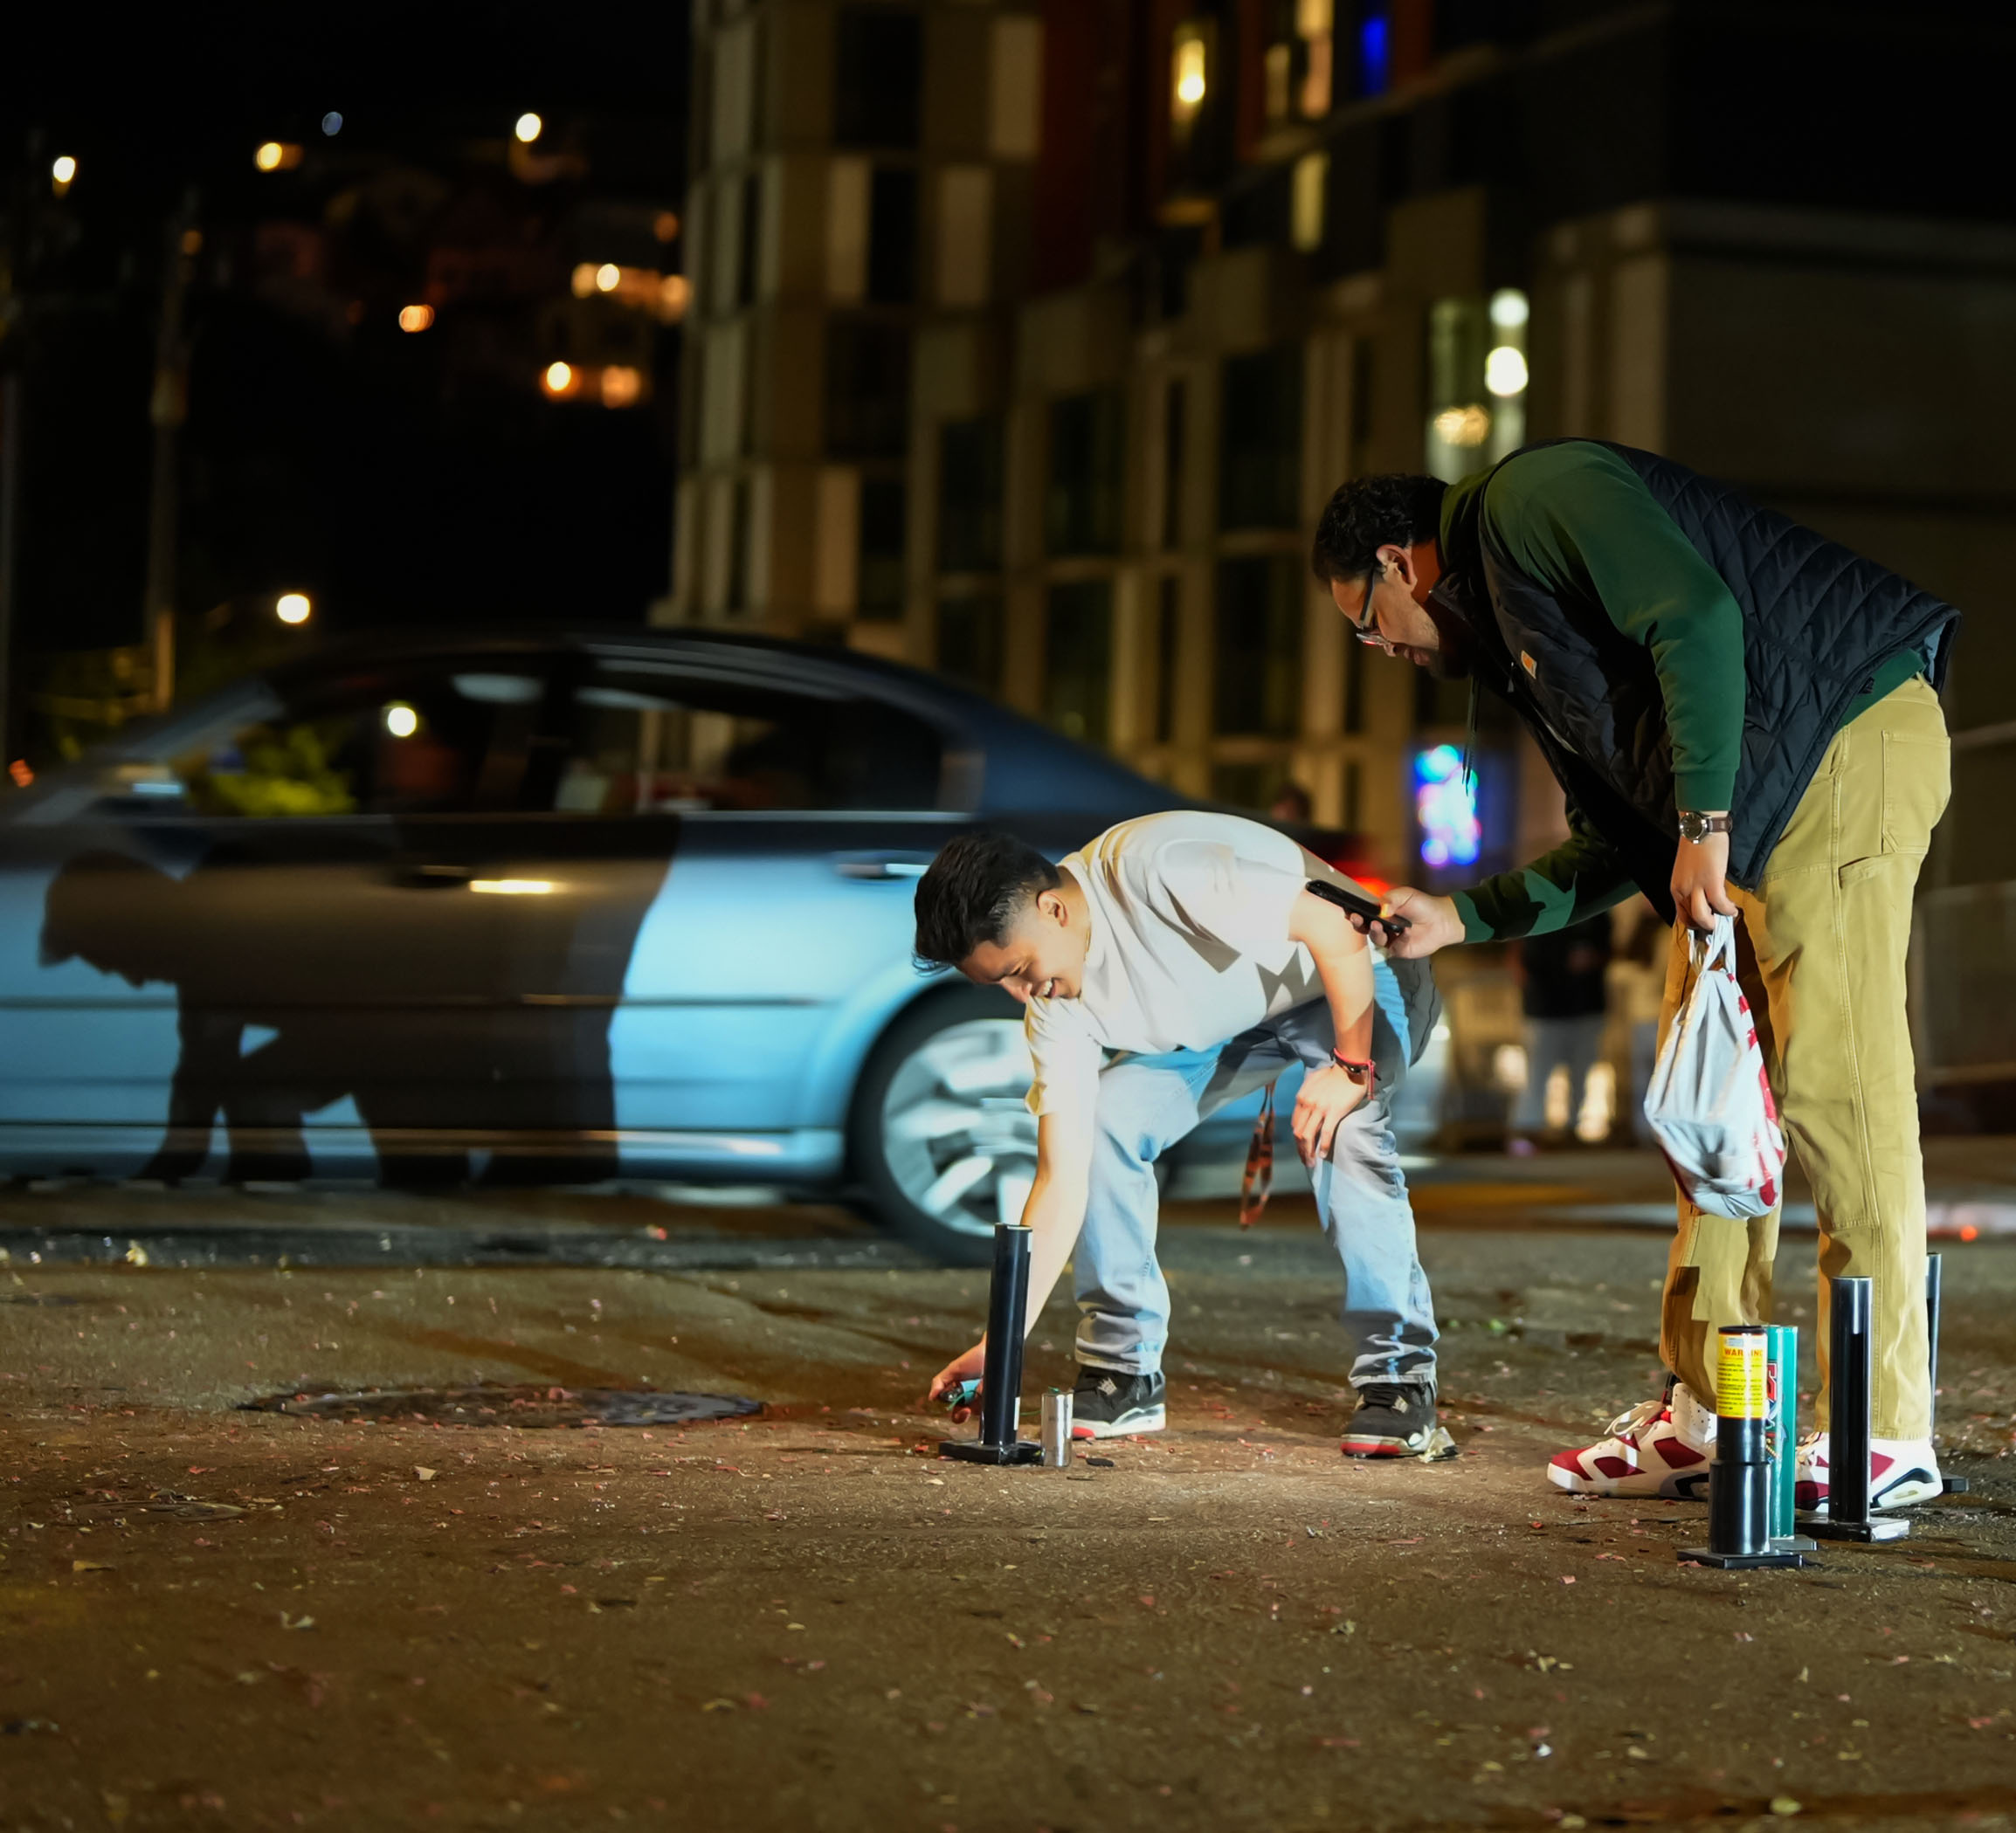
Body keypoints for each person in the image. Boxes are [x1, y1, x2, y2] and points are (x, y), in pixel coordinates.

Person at [1310, 443, 1960, 1510]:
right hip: (1750, 793)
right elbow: (1618, 838)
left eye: (1366, 619)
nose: (1377, 646)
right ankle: (1717, 1411)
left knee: (1838, 1095)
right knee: (1709, 1113)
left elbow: (1697, 617)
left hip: (1841, 743)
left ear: (1399, 560)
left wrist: (1703, 823)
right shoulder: (1521, 639)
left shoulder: (1531, 498)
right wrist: (1463, 916)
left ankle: (1884, 1429)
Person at [913, 815, 1448, 1457]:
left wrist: (1351, 1065)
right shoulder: (1054, 1007)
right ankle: (1124, 1369)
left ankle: (1399, 1375)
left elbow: (1334, 928)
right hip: (1235, 1020)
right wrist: (1001, 1343)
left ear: (1051, 908)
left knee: (1344, 1120)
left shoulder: (1161, 870)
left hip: (1361, 971)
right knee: (1107, 1119)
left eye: (1021, 969)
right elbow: (1061, 1177)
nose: (1024, 994)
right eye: (1001, 981)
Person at [1506, 914, 1612, 1153]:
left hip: (1584, 1004)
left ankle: (1572, 1128)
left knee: (1580, 1070)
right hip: (1546, 1006)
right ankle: (1528, 1130)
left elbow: (1608, 947)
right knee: (1538, 1072)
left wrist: (1592, 959)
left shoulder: (1596, 908)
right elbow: (1525, 956)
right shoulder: (1542, 906)